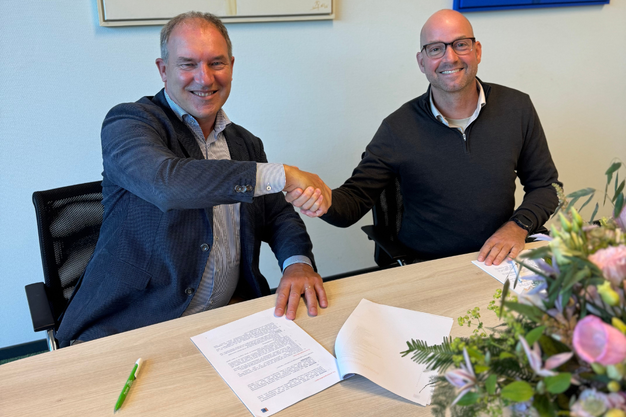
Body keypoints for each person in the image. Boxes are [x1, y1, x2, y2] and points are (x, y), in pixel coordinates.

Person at [56, 12, 331, 347]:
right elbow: (166, 183)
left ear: (231, 66)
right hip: (132, 327)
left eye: (216, 63)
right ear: (163, 70)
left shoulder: (246, 143)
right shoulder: (129, 123)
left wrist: (297, 263)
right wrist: (283, 174)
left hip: (227, 319)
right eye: (188, 64)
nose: (205, 78)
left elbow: (277, 214)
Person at [288, 9, 560, 267]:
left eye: (460, 44)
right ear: (422, 62)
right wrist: (323, 199)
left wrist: (518, 227)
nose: (450, 57)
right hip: (428, 265)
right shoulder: (397, 128)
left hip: (500, 259)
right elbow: (353, 202)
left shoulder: (516, 107)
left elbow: (547, 187)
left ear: (477, 51)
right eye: (435, 49)